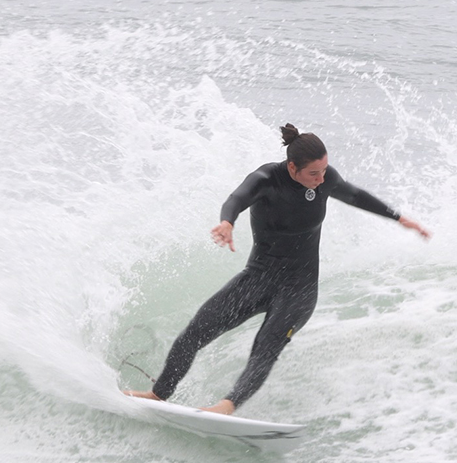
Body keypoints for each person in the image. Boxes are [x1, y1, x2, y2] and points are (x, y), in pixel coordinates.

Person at [125, 123, 430, 414]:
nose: (321, 179)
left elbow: (354, 195)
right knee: (194, 332)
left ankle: (226, 406)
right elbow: (237, 197)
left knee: (265, 347)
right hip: (258, 278)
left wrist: (399, 218)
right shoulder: (266, 179)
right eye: (313, 173)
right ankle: (159, 394)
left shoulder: (325, 179)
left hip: (300, 288)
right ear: (292, 168)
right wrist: (227, 222)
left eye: (324, 171)